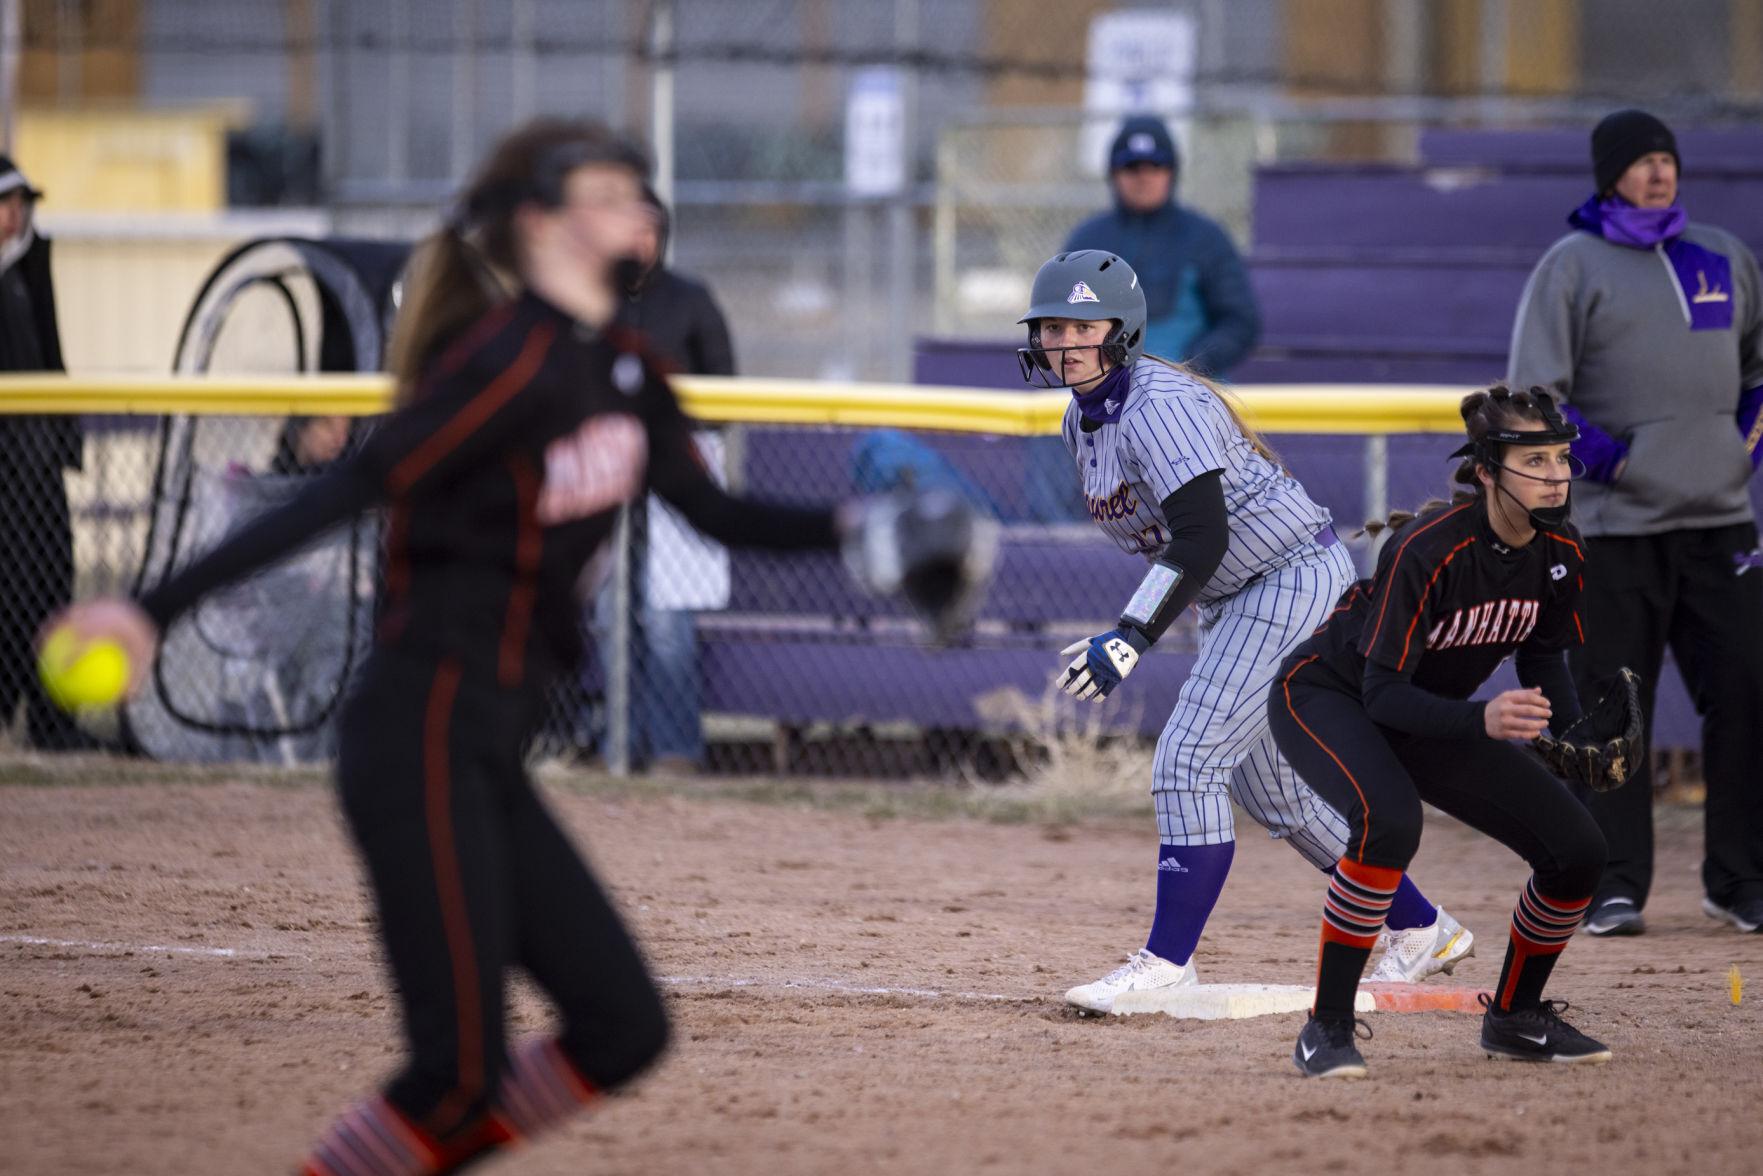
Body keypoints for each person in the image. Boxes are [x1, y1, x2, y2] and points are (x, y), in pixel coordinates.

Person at [47, 119, 863, 1174]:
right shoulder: (501, 360)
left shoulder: (620, 367)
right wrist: (149, 608)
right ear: (538, 222)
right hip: (419, 729)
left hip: (487, 750)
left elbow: (717, 515)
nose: (638, 207)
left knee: (623, 1029)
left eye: (638, 190)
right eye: (609, 189)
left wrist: (857, 533)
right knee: (454, 1076)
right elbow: (352, 485)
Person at [1017, 249, 1472, 1015]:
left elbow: (1198, 538)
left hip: (1285, 580)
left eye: (1081, 326)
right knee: (1276, 795)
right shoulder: (1079, 417)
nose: (1064, 343)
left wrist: (1129, 634)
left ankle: (1166, 962)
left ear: (1121, 330)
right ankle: (1421, 927)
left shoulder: (1155, 406)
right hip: (1240, 593)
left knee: (1185, 760)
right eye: (1051, 327)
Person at [1271, 385, 1612, 1078]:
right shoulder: (1427, 549)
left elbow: (1543, 656)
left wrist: (1571, 740)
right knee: (1389, 823)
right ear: (1485, 471)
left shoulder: (1561, 552)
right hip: (1327, 694)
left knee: (1577, 848)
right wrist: (1480, 720)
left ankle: (1515, 1018)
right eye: (1532, 461)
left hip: (1423, 710)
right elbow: (1381, 692)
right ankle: (1326, 1029)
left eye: (1559, 459)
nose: (1553, 476)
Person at [1508, 109, 1763, 937]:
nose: (1657, 173)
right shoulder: (1569, 266)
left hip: (1719, 526)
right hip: (1613, 532)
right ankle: (1609, 886)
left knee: (1747, 691)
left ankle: (1739, 881)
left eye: (1666, 159)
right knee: (1613, 711)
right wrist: (1611, 463)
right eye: (1640, 162)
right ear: (1607, 175)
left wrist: (1735, 454)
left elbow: (1758, 371)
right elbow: (1534, 397)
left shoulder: (1723, 257)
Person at [1028, 116, 1261, 524]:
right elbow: (1057, 317)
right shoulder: (1088, 239)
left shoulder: (1205, 238)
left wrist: (1189, 368)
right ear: (1114, 175)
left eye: (1155, 166)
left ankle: (1200, 527)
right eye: (1131, 168)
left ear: (1172, 172)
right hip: (1101, 380)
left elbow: (1241, 321)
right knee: (1050, 417)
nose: (1144, 177)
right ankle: (1061, 540)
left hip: (1183, 387)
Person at [607, 182, 738, 772]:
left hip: (670, 489)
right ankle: (618, 746)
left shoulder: (689, 299)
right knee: (609, 615)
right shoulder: (592, 300)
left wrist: (666, 427)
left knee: (666, 623)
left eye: (649, 230)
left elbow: (725, 396)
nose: (639, 241)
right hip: (606, 484)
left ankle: (675, 752)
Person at [0, 155, 88, 750]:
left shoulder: (31, 265)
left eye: (20, 202)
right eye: (6, 203)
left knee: (53, 580)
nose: (16, 214)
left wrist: (64, 442)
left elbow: (51, 355)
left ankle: (55, 724)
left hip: (36, 462)